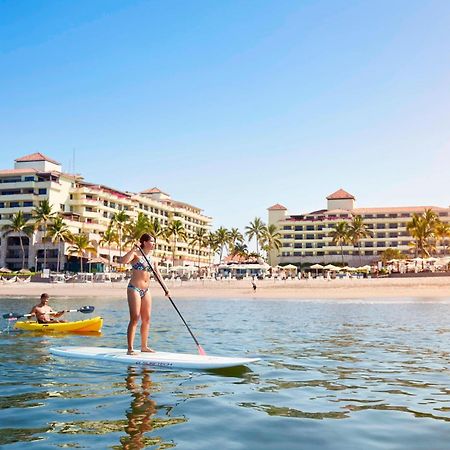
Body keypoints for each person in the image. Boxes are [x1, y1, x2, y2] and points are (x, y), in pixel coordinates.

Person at [121, 233, 170, 355]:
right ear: (144, 242)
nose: (154, 244)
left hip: (146, 290)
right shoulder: (136, 255)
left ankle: (144, 346)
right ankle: (130, 349)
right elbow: (123, 261)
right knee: (135, 318)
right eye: (152, 241)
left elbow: (158, 275)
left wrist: (166, 289)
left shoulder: (153, 259)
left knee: (146, 319)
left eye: (154, 242)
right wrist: (133, 248)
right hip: (134, 289)